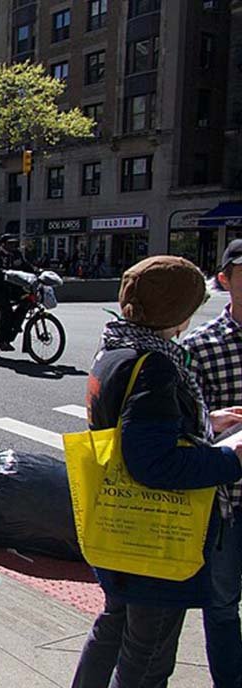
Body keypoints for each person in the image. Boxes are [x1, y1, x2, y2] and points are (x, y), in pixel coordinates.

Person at [72, 255, 242, 687]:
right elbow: (155, 463)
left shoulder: (115, 349)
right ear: (181, 312)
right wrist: (233, 457)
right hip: (156, 539)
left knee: (112, 628)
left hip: (118, 530)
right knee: (146, 661)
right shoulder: (156, 366)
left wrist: (205, 422)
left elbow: (133, 428)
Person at [183, 239, 242, 688]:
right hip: (226, 504)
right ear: (224, 280)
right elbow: (184, 429)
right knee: (221, 605)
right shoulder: (201, 348)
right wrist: (213, 424)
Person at [0, 234, 35, 351]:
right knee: (6, 311)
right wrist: (4, 272)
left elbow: (25, 265)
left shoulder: (17, 254)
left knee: (27, 302)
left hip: (14, 287)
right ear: (3, 244)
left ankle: (14, 325)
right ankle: (2, 340)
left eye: (14, 243)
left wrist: (37, 271)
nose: (13, 245)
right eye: (10, 243)